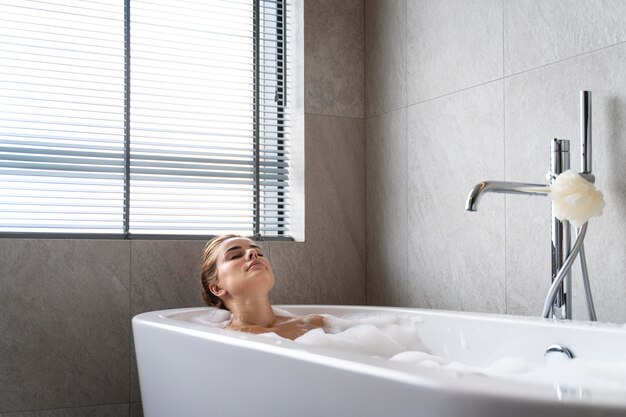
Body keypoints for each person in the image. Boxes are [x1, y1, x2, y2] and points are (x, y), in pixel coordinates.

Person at [200, 234, 324, 340]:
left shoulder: (315, 324)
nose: (253, 253)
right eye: (235, 256)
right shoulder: (227, 339)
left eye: (259, 253)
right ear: (217, 288)